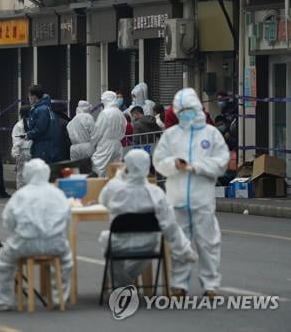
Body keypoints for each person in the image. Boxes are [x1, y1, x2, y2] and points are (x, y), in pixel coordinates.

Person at [153, 88, 229, 299]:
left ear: (197, 108)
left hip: (201, 198)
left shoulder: (211, 134)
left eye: (190, 109)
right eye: (183, 110)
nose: (186, 113)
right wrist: (174, 165)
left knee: (208, 242)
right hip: (177, 197)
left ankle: (210, 285)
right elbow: (159, 161)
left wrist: (197, 167)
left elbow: (221, 162)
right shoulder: (171, 135)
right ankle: (179, 284)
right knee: (180, 244)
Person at [98, 149, 197, 287]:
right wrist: (183, 247)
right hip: (148, 243)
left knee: (104, 238)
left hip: (119, 243)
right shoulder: (156, 192)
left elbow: (102, 200)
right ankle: (125, 281)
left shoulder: (115, 188)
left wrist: (119, 176)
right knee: (155, 239)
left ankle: (121, 283)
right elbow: (169, 224)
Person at [0, 159, 73, 311]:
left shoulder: (20, 195)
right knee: (66, 263)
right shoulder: (58, 193)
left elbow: (8, 221)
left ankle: (4, 300)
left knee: (2, 265)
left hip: (24, 243)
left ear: (28, 174)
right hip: (55, 243)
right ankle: (58, 297)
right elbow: (67, 219)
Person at [91, 91, 126, 177]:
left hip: (106, 145)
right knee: (116, 171)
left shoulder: (105, 113)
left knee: (98, 169)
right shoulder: (119, 112)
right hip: (118, 144)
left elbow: (98, 131)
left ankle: (96, 188)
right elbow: (123, 128)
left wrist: (92, 143)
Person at [25, 85, 60, 163]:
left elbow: (40, 128)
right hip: (45, 145)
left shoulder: (41, 110)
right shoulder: (45, 108)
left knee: (41, 170)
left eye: (29, 95)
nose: (29, 98)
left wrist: (29, 134)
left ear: (34, 96)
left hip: (42, 147)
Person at [11, 105, 32, 189]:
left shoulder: (18, 125)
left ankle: (21, 192)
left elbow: (16, 140)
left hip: (23, 151)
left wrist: (16, 154)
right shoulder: (34, 123)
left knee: (21, 174)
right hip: (32, 150)